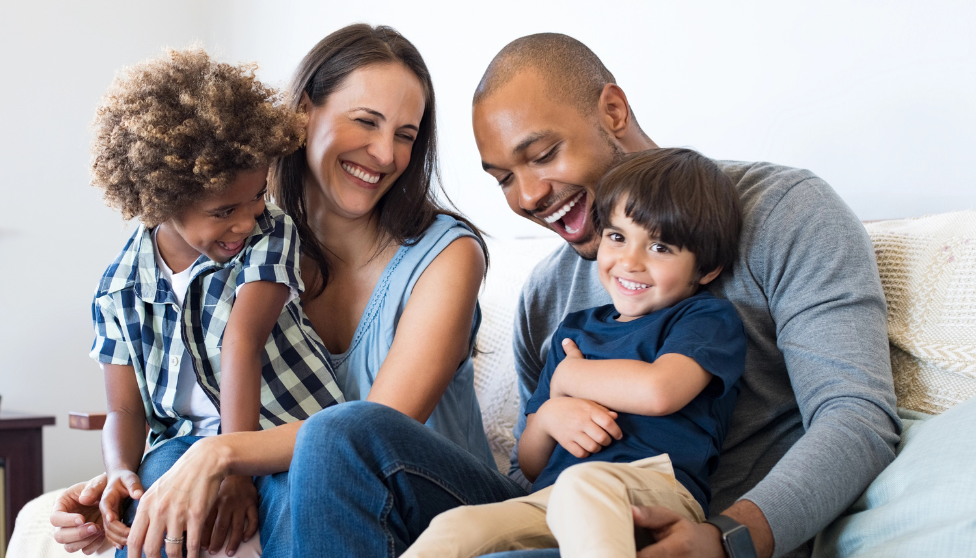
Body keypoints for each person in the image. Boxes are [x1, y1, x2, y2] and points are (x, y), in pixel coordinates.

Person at [283, 33, 899, 558]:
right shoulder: (548, 294)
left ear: (612, 110)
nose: (526, 196)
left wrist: (727, 538)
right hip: (550, 515)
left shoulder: (783, 213)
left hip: (681, 521)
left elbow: (857, 418)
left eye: (542, 154)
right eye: (502, 179)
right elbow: (534, 464)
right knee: (340, 434)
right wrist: (551, 414)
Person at [51, 24, 512, 558]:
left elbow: (369, 435)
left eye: (405, 135)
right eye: (366, 122)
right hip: (311, 490)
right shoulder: (236, 237)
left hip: (431, 501)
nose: (385, 153)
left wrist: (222, 454)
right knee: (168, 471)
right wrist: (124, 487)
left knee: (330, 439)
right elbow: (176, 400)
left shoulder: (447, 255)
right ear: (304, 114)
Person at [403, 148, 747, 558]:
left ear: (706, 270)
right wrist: (549, 416)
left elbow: (660, 391)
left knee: (581, 487)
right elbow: (530, 464)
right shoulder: (575, 332)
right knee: (456, 526)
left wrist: (569, 380)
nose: (629, 262)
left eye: (660, 248)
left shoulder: (704, 316)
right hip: (554, 494)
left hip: (654, 489)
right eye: (617, 237)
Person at [84, 47, 347, 557]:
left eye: (256, 198)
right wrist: (119, 471)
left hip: (283, 431)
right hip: (182, 442)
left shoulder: (271, 234)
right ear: (162, 200)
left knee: (298, 500)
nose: (245, 222)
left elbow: (241, 343)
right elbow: (122, 408)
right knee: (152, 506)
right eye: (224, 210)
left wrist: (235, 465)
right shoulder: (118, 287)